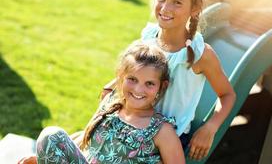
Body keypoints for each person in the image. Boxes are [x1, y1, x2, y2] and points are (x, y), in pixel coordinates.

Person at [101, 0, 236, 161]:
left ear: (195, 9)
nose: (165, 8)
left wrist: (210, 127)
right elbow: (136, 73)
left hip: (166, 143)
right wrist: (112, 85)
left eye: (177, 2)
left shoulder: (200, 54)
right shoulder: (149, 37)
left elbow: (227, 95)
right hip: (132, 124)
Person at [18, 40, 185, 164]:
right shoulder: (111, 105)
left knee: (52, 134)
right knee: (52, 137)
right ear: (120, 76)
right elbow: (85, 140)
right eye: (132, 79)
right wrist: (43, 156)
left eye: (149, 84)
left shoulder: (161, 131)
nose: (138, 90)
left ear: (161, 86)